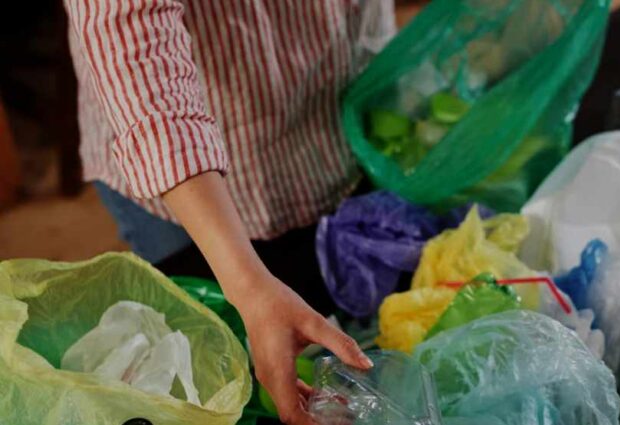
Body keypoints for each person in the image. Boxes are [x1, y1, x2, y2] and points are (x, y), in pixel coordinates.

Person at [64, 1, 392, 423]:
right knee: (191, 348)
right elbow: (132, 32)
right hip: (181, 177)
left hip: (330, 118)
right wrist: (249, 286)